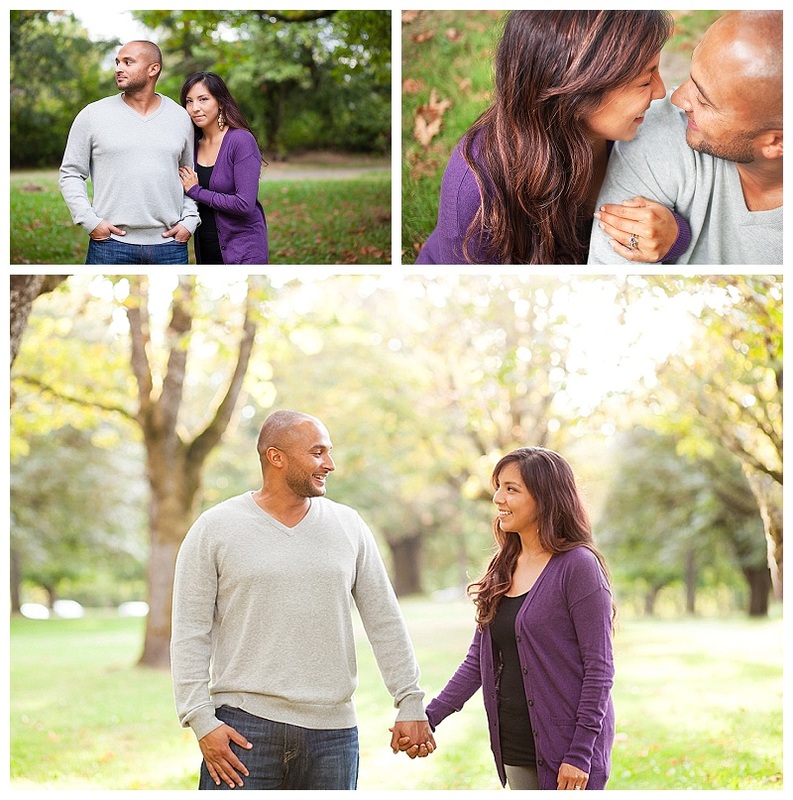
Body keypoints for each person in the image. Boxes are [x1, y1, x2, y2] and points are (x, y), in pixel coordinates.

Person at [170, 409, 435, 790]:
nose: (330, 464)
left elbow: (385, 620)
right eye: (317, 452)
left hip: (333, 735)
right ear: (276, 457)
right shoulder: (215, 528)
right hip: (243, 729)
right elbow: (190, 632)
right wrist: (201, 720)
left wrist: (409, 701)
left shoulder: (349, 526)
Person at [398, 447, 615, 790]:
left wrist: (580, 753)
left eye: (511, 489)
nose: (498, 497)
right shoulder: (503, 566)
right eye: (498, 486)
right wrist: (428, 717)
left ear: (545, 498)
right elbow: (477, 662)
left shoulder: (578, 567)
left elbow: (599, 669)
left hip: (567, 752)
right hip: (514, 744)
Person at [413, 10, 690, 265]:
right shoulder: (479, 187)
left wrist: (674, 236)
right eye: (644, 81)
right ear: (577, 92)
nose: (660, 91)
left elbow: (684, 229)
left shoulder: (637, 131)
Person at [589, 10, 782, 265]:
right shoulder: (661, 126)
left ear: (778, 143)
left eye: (703, 100)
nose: (676, 98)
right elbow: (611, 268)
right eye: (691, 77)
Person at [59, 40, 200, 265]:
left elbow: (188, 176)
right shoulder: (92, 115)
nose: (118, 69)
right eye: (117, 62)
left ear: (153, 69)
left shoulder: (180, 117)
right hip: (109, 245)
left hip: (170, 247)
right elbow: (70, 173)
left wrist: (190, 221)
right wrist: (89, 221)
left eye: (128, 62)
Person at [178, 72, 269, 264]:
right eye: (189, 101)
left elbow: (244, 204)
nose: (195, 108)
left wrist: (197, 191)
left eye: (203, 99)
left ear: (220, 102)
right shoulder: (191, 145)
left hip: (243, 250)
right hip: (205, 246)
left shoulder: (241, 141)